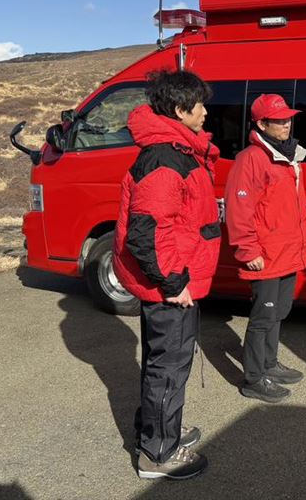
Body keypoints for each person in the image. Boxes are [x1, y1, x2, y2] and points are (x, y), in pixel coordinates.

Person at [113, 70, 220, 480]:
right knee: (168, 366)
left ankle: (159, 430)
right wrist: (173, 283)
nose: (206, 112)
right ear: (179, 110)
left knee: (166, 363)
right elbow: (147, 231)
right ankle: (158, 452)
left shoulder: (177, 149)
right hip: (172, 283)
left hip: (177, 277)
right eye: (200, 105)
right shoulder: (164, 157)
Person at [224, 93, 306, 403]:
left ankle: (269, 363)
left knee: (279, 313)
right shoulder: (251, 158)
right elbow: (240, 208)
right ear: (261, 124)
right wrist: (248, 251)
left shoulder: (286, 155)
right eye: (279, 120)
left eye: (288, 118)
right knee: (263, 316)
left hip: (287, 252)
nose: (286, 123)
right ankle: (253, 378)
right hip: (266, 255)